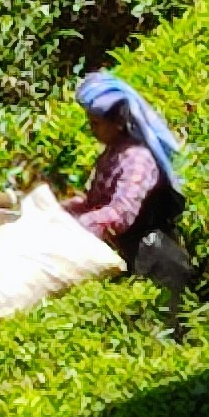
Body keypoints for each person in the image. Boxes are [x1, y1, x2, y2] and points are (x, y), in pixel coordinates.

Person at [63, 69, 195, 298]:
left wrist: (80, 224)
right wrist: (64, 211)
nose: (91, 129)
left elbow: (121, 213)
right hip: (126, 253)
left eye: (96, 123)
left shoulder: (137, 159)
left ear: (118, 123)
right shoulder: (113, 153)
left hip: (152, 259)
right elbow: (97, 202)